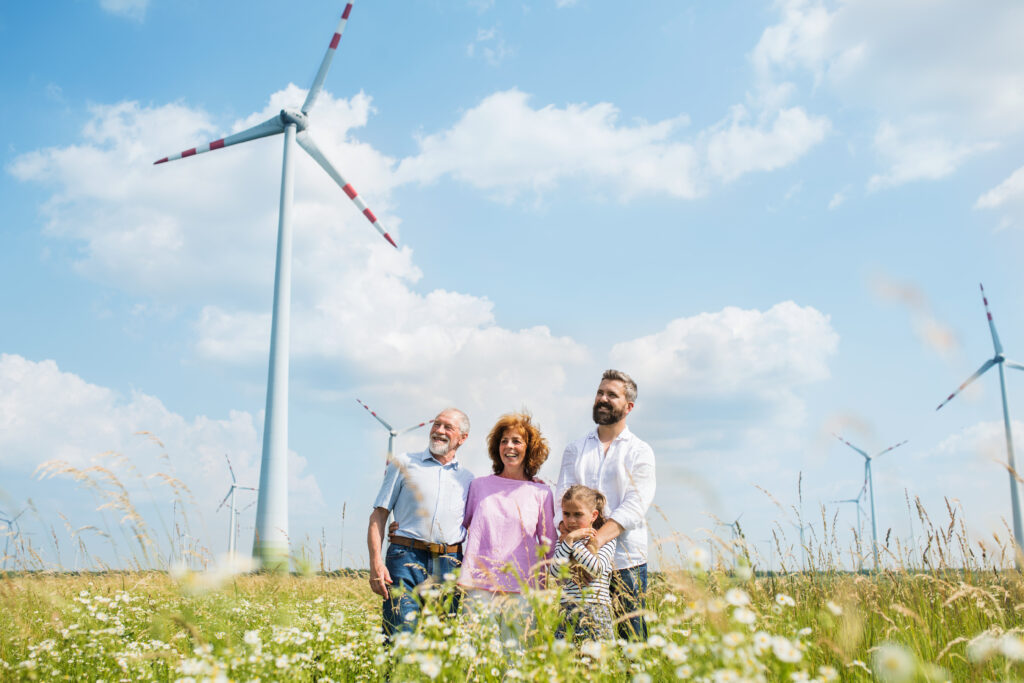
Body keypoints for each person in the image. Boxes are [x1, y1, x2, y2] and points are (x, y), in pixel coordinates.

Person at [556, 369, 656, 640]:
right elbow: (561, 498)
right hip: (578, 560)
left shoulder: (640, 451)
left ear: (629, 406)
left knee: (632, 641)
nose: (602, 398)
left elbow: (635, 505)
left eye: (612, 395)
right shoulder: (575, 449)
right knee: (578, 640)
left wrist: (595, 542)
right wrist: (572, 548)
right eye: (600, 392)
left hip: (626, 560)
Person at [367, 408, 474, 639]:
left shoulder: (468, 479)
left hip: (449, 563)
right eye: (436, 424)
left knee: (440, 641)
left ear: (462, 438)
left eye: (448, 427)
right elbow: (378, 515)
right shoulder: (403, 463)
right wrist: (375, 562)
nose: (439, 431)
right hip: (405, 557)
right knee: (400, 636)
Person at [458, 412, 556, 638]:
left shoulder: (541, 493)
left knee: (516, 652)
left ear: (529, 449)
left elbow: (549, 544)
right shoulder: (478, 486)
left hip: (524, 587)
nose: (509, 446)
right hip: (479, 584)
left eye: (516, 441)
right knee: (476, 649)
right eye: (504, 441)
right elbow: (458, 525)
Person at [550, 484, 616, 641]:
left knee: (597, 654)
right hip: (567, 609)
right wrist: (570, 540)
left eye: (578, 514)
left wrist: (574, 542)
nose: (571, 520)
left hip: (596, 610)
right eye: (566, 514)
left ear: (593, 515)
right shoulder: (564, 542)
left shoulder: (604, 541)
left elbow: (595, 569)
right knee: (566, 655)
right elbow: (555, 571)